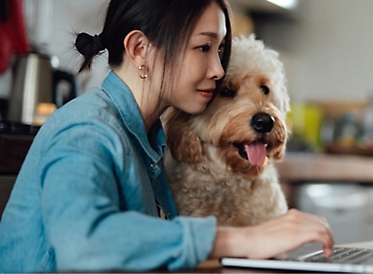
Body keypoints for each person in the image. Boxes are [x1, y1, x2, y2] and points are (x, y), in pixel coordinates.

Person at [0, 0, 334, 272]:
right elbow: (82, 242)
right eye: (203, 47)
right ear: (140, 48)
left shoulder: (146, 137)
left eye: (219, 51)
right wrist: (238, 241)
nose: (218, 70)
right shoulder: (87, 130)